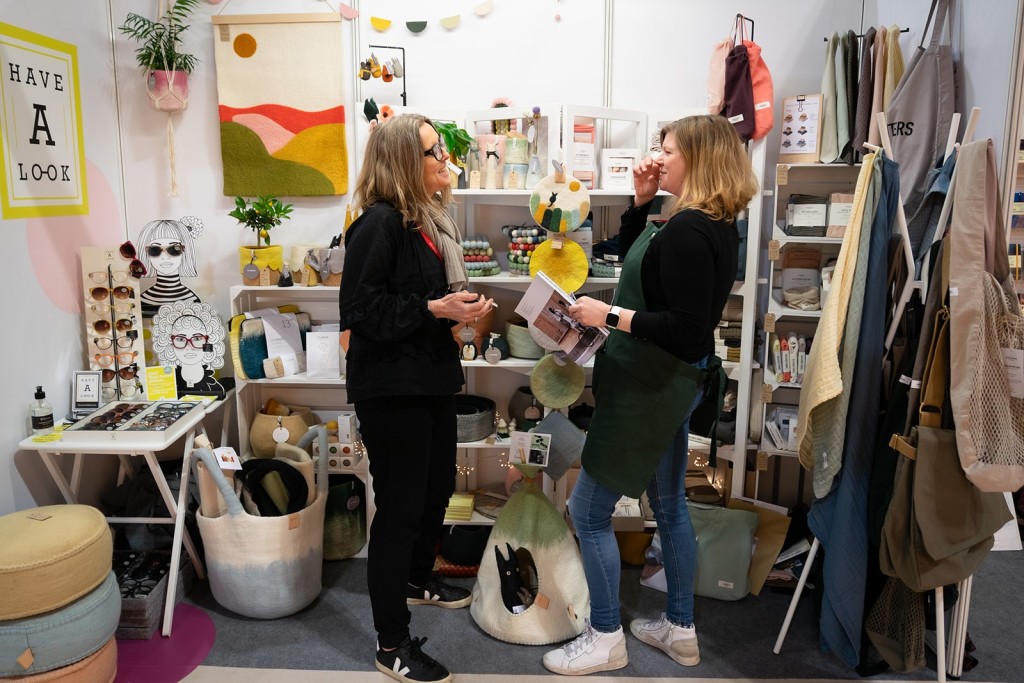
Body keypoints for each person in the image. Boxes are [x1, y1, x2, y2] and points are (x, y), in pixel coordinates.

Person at [543, 115, 758, 675]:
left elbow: (685, 327)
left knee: (587, 511)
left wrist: (606, 314)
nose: (658, 158)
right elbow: (631, 256)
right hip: (670, 381)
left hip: (651, 386)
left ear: (699, 157)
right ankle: (681, 629)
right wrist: (641, 201)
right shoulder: (705, 221)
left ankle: (605, 636)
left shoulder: (688, 230)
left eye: (667, 150)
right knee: (669, 504)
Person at [338, 113, 494, 683]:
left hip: (429, 380)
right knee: (400, 510)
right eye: (434, 153)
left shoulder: (428, 223)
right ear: (406, 160)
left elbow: (424, 303)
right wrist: (435, 310)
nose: (444, 163)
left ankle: (414, 576)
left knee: (434, 493)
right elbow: (358, 312)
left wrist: (461, 313)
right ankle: (391, 643)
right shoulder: (377, 224)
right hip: (391, 389)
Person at [136, 217, 203, 316]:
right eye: (155, 249)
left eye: (174, 249)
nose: (165, 256)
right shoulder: (142, 300)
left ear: (185, 251)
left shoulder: (192, 300)